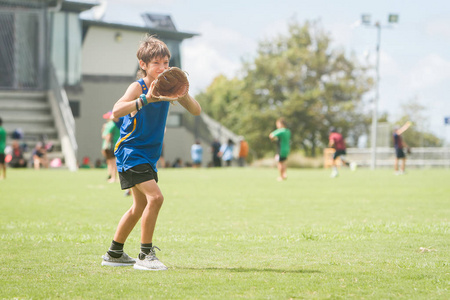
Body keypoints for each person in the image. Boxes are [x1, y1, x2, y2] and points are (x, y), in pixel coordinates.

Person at [101, 35, 201, 271]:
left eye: (166, 63)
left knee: (138, 207)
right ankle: (146, 255)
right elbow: (116, 110)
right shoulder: (139, 87)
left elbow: (196, 111)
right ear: (143, 65)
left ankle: (114, 253)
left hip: (147, 156)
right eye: (157, 63)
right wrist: (145, 99)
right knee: (156, 198)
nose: (163, 68)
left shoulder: (168, 88)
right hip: (130, 152)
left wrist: (182, 91)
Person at [101, 111, 121, 183]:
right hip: (117, 144)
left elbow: (107, 136)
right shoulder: (116, 124)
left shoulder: (111, 124)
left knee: (113, 162)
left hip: (112, 145)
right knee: (113, 162)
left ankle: (113, 177)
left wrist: (106, 145)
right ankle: (113, 176)